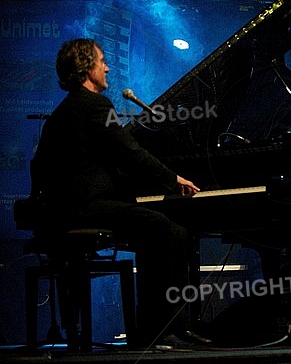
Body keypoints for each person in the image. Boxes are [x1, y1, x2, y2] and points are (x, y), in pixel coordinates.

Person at [30, 38, 206, 349]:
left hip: (64, 208)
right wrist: (171, 177)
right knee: (170, 231)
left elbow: (45, 166)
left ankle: (151, 329)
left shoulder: (63, 112)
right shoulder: (95, 105)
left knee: (156, 230)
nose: (107, 67)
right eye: (101, 62)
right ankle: (169, 328)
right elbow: (130, 153)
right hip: (85, 207)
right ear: (86, 68)